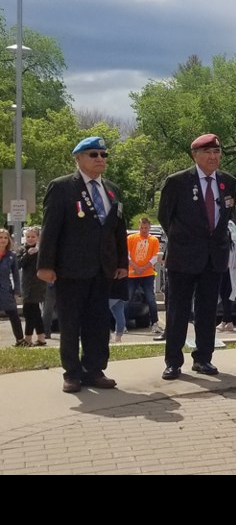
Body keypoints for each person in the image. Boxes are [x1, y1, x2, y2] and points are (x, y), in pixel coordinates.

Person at [37, 136, 128, 393]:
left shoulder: (112, 189)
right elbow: (51, 228)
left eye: (103, 155)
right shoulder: (63, 187)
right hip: (71, 269)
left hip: (103, 269)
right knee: (70, 323)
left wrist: (122, 262)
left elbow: (118, 230)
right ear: (78, 158)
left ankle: (95, 369)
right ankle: (72, 373)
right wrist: (45, 265)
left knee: (98, 322)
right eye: (93, 154)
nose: (100, 159)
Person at [157, 133, 236, 381]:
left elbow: (226, 215)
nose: (214, 157)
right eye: (208, 153)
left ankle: (203, 358)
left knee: (206, 311)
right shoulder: (178, 182)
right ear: (195, 155)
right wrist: (184, 241)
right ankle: (173, 362)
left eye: (217, 152)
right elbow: (165, 217)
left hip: (214, 258)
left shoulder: (228, 182)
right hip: (183, 257)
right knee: (177, 311)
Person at [127, 216, 162, 334]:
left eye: (146, 228)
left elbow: (155, 257)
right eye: (142, 227)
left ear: (149, 227)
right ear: (139, 227)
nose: (144, 230)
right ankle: (122, 323)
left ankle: (155, 323)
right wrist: (135, 267)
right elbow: (127, 255)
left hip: (147, 274)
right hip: (132, 274)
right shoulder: (131, 238)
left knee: (151, 299)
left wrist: (143, 268)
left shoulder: (154, 240)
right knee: (128, 299)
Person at [17, 226, 47, 346]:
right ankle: (41, 338)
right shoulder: (22, 250)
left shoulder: (42, 250)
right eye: (28, 236)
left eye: (33, 237)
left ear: (38, 238)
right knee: (34, 312)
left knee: (30, 311)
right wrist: (28, 254)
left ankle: (28, 339)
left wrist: (37, 251)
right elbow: (19, 264)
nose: (30, 239)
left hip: (38, 284)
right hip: (26, 284)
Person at [216, 220, 236, 333]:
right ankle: (228, 322)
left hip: (231, 274)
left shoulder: (234, 245)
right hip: (221, 273)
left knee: (229, 297)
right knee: (222, 296)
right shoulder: (218, 246)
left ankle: (225, 322)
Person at [0, 229, 26, 347]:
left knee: (14, 315)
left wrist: (17, 292)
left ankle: (20, 340)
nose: (3, 240)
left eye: (5, 238)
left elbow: (16, 275)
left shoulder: (11, 255)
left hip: (6, 291)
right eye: (0, 237)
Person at [108, 275, 129, 343]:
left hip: (110, 290)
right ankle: (118, 337)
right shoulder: (123, 265)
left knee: (102, 315)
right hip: (121, 290)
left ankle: (108, 336)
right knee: (119, 314)